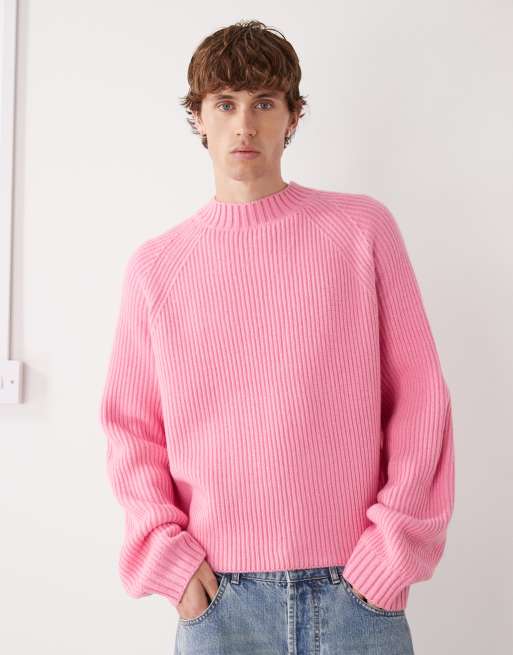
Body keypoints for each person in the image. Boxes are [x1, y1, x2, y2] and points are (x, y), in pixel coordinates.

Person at [99, 19, 455, 654]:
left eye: (264, 103)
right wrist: (170, 562)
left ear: (293, 116)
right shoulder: (157, 266)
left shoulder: (361, 230)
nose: (245, 124)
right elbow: (132, 430)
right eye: (225, 104)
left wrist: (391, 552)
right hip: (221, 600)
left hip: (356, 592)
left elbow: (421, 400)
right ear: (198, 117)